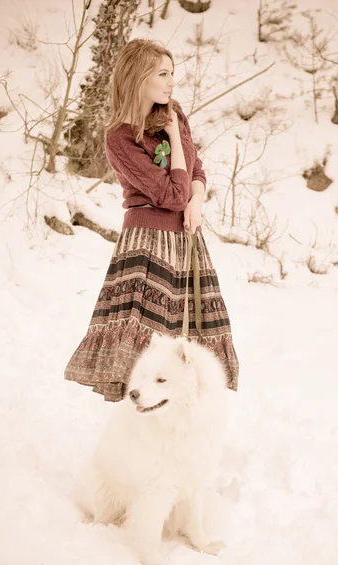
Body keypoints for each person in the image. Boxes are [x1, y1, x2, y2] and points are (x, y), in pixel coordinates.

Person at [64, 38, 239, 402]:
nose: (171, 81)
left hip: (186, 236)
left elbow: (196, 168)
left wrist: (199, 200)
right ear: (138, 77)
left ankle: (183, 422)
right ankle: (136, 422)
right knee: (148, 338)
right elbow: (172, 194)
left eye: (172, 73)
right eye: (162, 73)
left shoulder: (173, 113)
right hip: (147, 241)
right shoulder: (120, 138)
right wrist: (174, 137)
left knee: (188, 335)